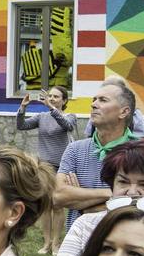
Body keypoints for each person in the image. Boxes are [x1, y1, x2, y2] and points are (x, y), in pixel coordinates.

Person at [53, 81, 138, 227]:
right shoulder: (74, 149)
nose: (93, 105)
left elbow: (139, 204)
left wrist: (82, 201)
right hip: (78, 242)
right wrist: (113, 194)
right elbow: (58, 196)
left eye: (103, 100)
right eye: (94, 100)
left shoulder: (140, 153)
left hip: (122, 238)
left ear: (124, 112)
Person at [15, 86, 76, 254]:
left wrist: (51, 108)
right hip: (44, 167)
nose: (52, 98)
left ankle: (56, 244)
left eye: (56, 97)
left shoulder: (70, 116)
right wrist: (23, 107)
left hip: (62, 167)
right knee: (46, 206)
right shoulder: (41, 117)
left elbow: (67, 126)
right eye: (50, 96)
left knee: (57, 204)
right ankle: (47, 243)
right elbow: (21, 126)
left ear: (64, 100)